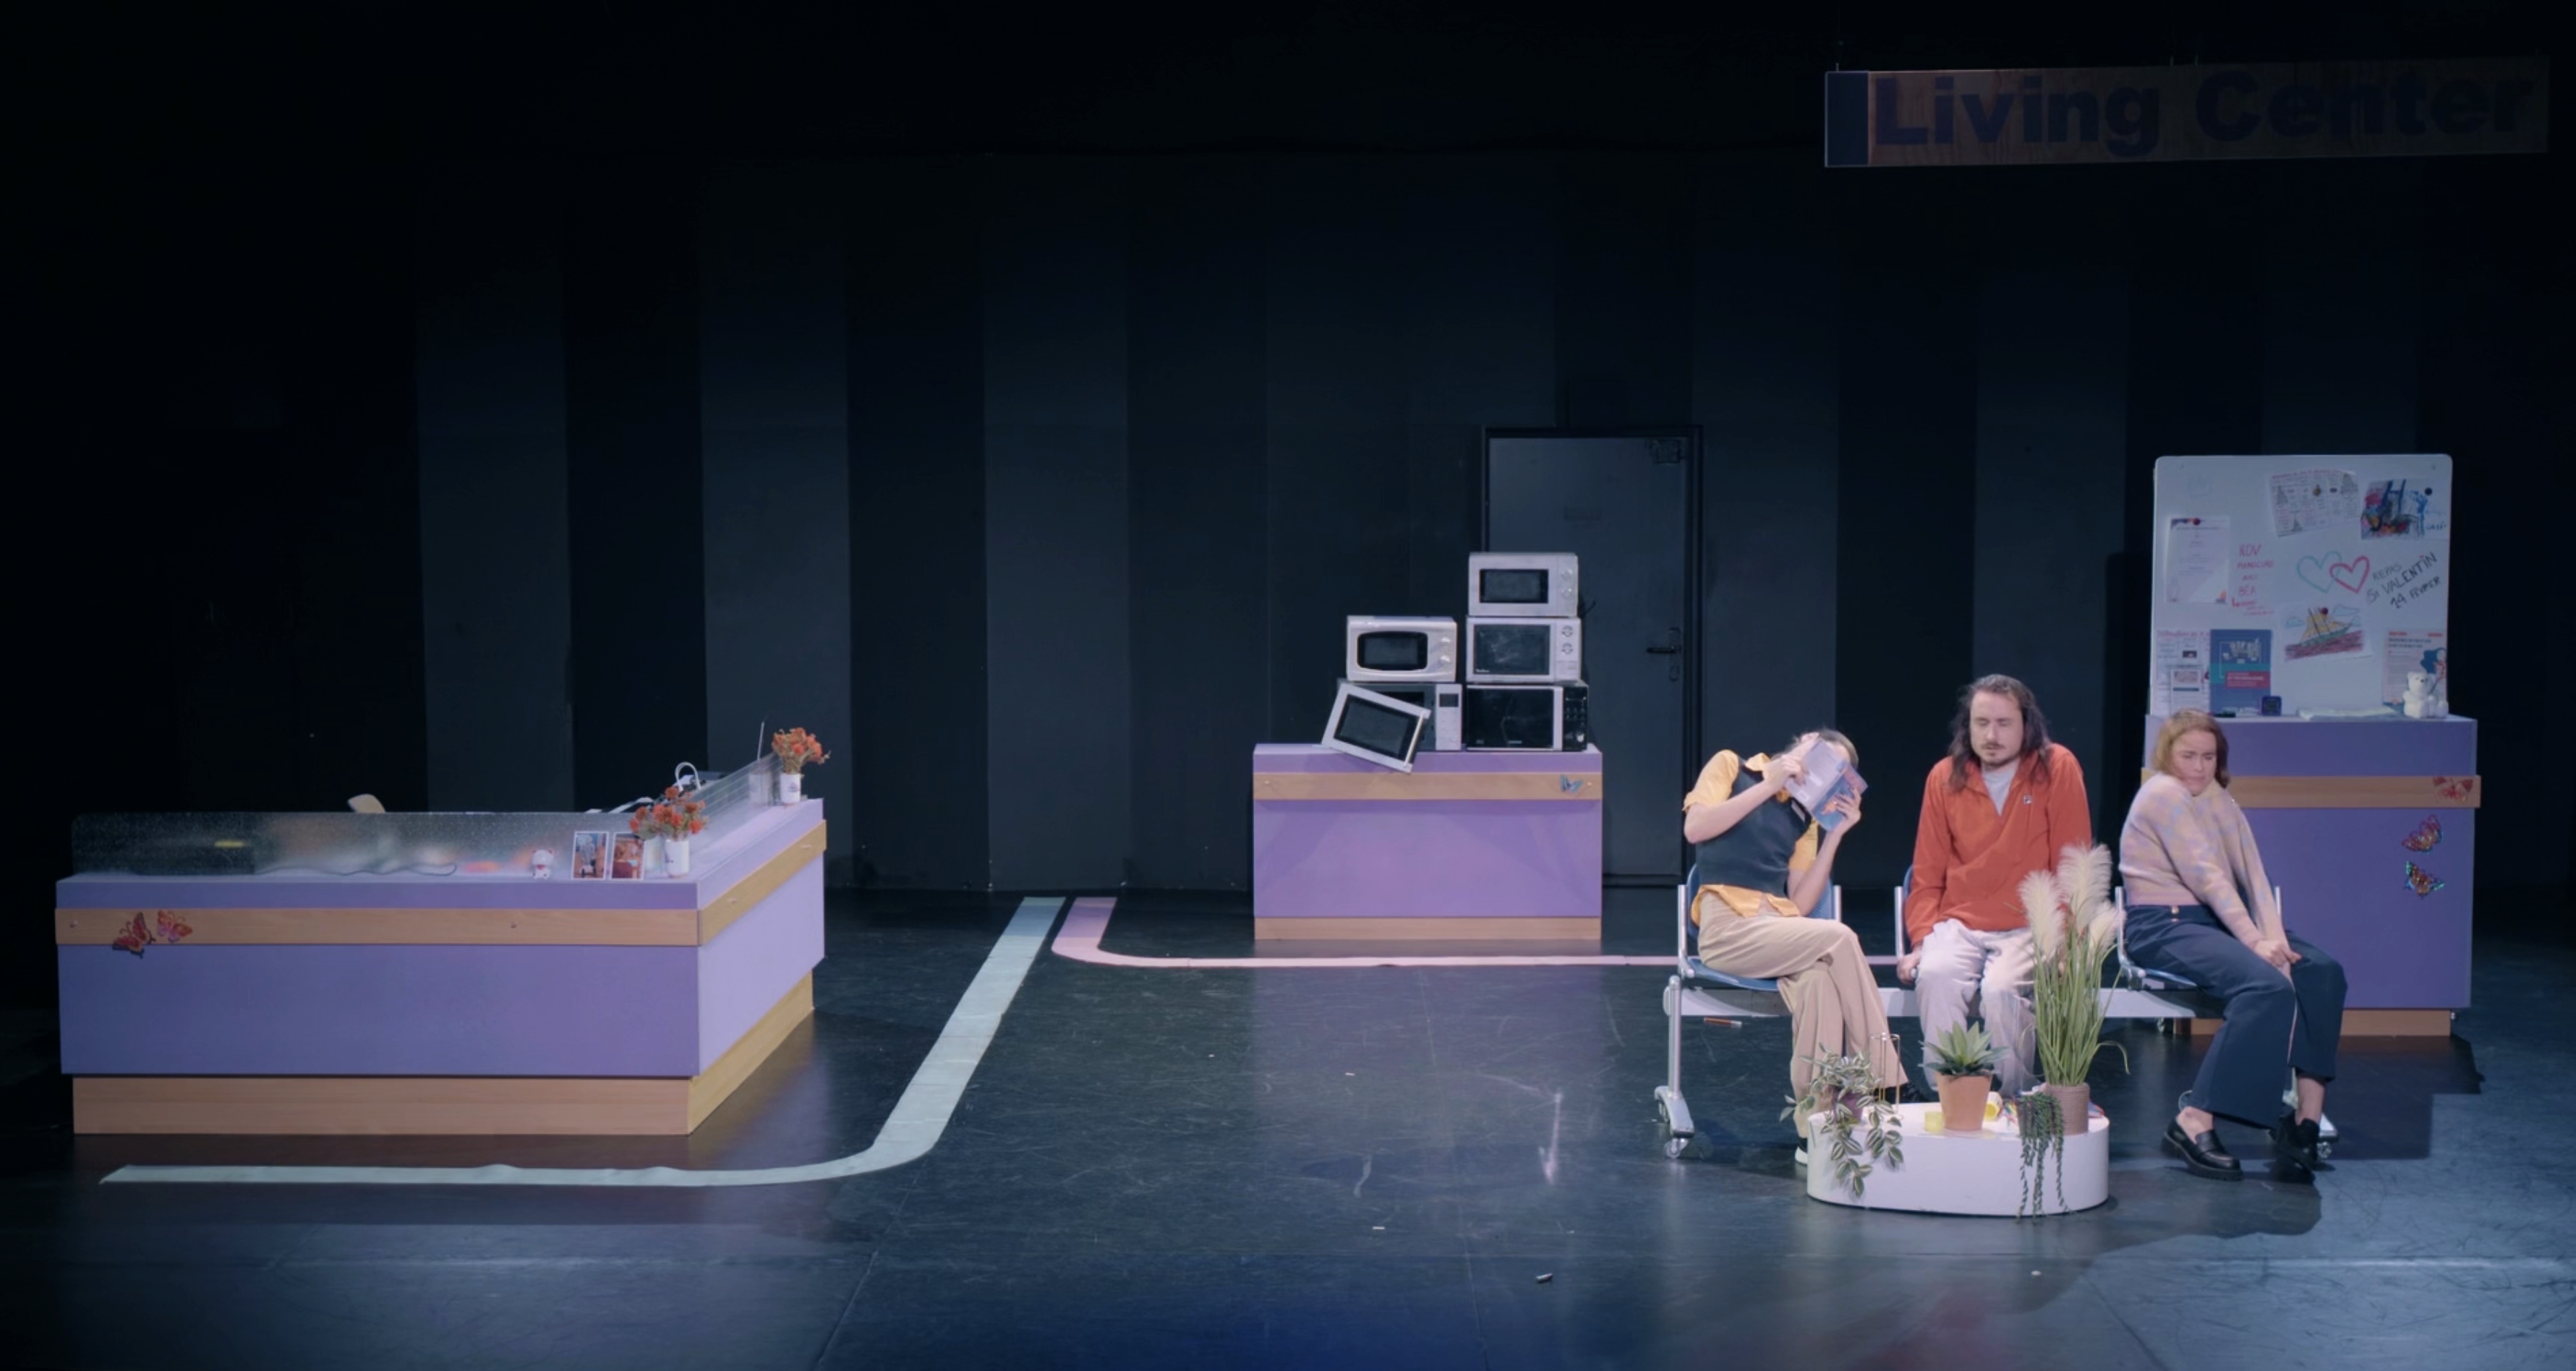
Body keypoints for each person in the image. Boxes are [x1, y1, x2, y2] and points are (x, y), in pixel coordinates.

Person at [2120, 710, 2346, 1182]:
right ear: (2166, 755)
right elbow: (2208, 877)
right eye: (2188, 756)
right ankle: (2195, 1119)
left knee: (2321, 971)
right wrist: (2256, 941)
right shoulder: (2163, 794)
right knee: (2266, 986)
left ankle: (2305, 1120)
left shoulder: (2218, 799)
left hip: (2215, 921)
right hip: (2164, 924)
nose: (2199, 767)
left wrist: (2271, 935)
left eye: (2209, 757)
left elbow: (2250, 877)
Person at [1684, 730, 1905, 1135]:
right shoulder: (1733, 766)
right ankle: (1884, 1080)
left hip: (1778, 929)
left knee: (1819, 983)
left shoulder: (1804, 820)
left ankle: (1815, 1127)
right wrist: (1770, 784)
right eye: (1822, 759)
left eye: (1834, 776)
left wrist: (1835, 834)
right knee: (1839, 936)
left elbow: (1800, 904)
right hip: (1727, 929)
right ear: (1805, 741)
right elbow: (1695, 828)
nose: (1820, 776)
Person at [1899, 675, 2092, 1097]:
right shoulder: (1944, 777)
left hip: (2030, 925)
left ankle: (2013, 1101)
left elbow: (2073, 866)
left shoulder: (2057, 767)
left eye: (2004, 724)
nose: (1991, 735)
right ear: (1967, 726)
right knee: (1935, 975)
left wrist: (2068, 946)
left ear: (2026, 725)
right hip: (1961, 923)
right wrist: (1921, 941)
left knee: (2001, 990)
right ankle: (1951, 1098)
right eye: (1981, 723)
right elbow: (1927, 875)